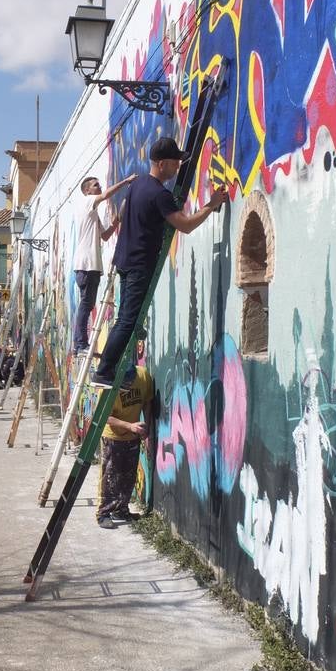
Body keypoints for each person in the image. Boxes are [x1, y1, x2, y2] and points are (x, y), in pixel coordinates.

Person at [91, 137, 229, 387]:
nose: (178, 167)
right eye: (176, 163)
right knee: (127, 320)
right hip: (139, 263)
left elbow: (126, 211)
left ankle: (120, 369)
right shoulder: (159, 194)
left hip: (124, 259)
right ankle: (105, 372)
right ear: (163, 163)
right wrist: (211, 205)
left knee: (126, 318)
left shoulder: (137, 186)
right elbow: (185, 226)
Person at [72, 173, 135, 352]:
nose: (99, 186)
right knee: (86, 304)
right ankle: (80, 344)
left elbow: (106, 236)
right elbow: (105, 195)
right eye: (95, 185)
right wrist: (126, 181)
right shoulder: (87, 202)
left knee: (87, 304)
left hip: (90, 266)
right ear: (87, 191)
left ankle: (80, 343)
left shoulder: (92, 214)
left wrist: (118, 219)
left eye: (99, 184)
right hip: (87, 264)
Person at [96, 332, 152, 529]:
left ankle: (122, 509)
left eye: (129, 381)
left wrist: (148, 429)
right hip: (113, 436)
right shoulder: (109, 387)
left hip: (133, 435)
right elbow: (105, 417)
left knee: (128, 475)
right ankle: (103, 513)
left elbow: (147, 402)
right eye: (123, 383)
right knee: (110, 476)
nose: (126, 386)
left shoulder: (143, 376)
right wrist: (130, 426)